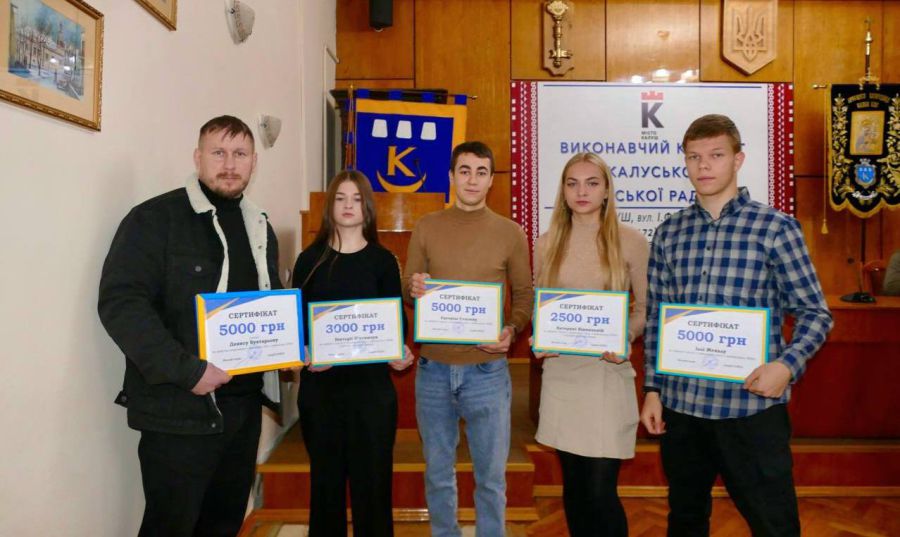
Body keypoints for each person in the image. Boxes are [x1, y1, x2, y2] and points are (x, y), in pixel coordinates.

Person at [640, 114, 833, 537]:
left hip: (750, 408)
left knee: (774, 524)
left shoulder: (776, 228)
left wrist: (786, 366)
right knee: (685, 520)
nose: (703, 165)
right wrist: (652, 389)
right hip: (682, 407)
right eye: (694, 157)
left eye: (716, 155)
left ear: (738, 159)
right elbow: (657, 318)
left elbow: (815, 313)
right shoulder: (669, 233)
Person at [98, 115, 280, 536]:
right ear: (198, 158)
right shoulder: (154, 219)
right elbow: (121, 304)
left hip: (242, 411)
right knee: (171, 527)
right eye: (219, 153)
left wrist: (290, 346)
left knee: (223, 525)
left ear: (253, 163)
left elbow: (269, 306)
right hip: (179, 411)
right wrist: (189, 372)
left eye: (240, 154)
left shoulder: (261, 227)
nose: (229, 164)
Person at [403, 141, 534, 537]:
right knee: (438, 472)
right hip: (433, 371)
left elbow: (524, 296)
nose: (472, 180)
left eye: (481, 172)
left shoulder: (510, 233)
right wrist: (414, 287)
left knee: (491, 477)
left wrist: (511, 330)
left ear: (491, 180)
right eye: (465, 171)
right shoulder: (427, 226)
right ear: (451, 176)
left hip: (487, 372)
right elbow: (407, 288)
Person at [531, 152, 648, 537]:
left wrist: (627, 335)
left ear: (607, 190)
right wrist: (538, 336)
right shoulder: (545, 244)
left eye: (592, 183)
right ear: (563, 191)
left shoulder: (632, 242)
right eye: (572, 183)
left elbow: (646, 309)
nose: (581, 191)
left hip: (606, 378)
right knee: (576, 490)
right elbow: (541, 307)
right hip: (562, 376)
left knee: (601, 492)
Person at [291, 170, 414, 537]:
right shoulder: (308, 260)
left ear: (367, 208)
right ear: (330, 206)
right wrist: (305, 351)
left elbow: (396, 325)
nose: (348, 206)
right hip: (322, 393)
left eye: (357, 199)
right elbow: (296, 326)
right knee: (325, 488)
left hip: (371, 393)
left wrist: (400, 351)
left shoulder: (383, 261)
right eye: (341, 198)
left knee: (373, 488)